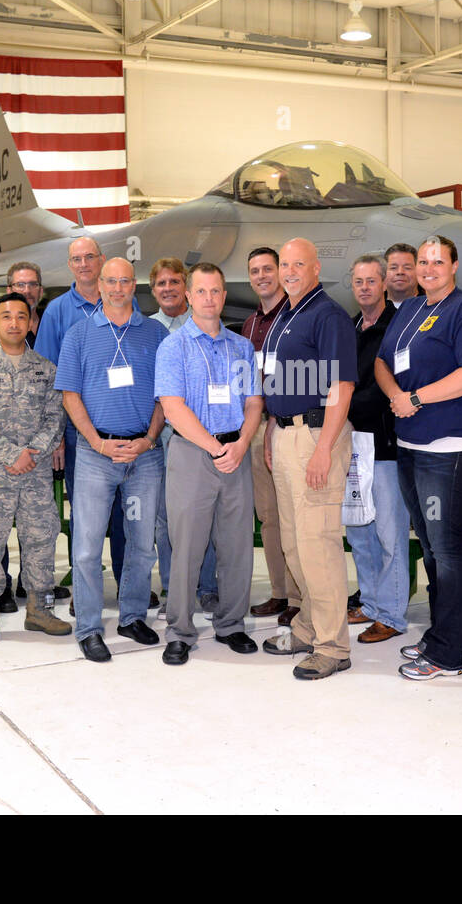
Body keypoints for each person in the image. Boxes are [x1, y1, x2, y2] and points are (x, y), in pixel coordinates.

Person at [376, 236, 462, 678]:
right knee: (427, 544)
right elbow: (383, 363)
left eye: (437, 261)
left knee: (446, 548)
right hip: (410, 443)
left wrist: (417, 399)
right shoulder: (408, 310)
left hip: (449, 448)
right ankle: (438, 633)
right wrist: (397, 398)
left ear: (455, 266)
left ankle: (448, 653)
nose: (428, 268)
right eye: (423, 262)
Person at [57, 257, 167, 662]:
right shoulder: (79, 334)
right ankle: (88, 626)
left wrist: (150, 439)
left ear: (134, 284)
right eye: (110, 281)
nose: (118, 288)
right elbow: (71, 396)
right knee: (86, 547)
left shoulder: (155, 334)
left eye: (125, 281)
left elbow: (165, 397)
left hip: (143, 459)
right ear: (98, 285)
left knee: (140, 543)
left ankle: (132, 616)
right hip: (95, 458)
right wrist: (99, 444)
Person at [154, 264, 262, 664]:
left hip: (236, 454)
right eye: (201, 291)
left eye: (216, 291)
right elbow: (172, 408)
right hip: (192, 454)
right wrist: (215, 448)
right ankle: (180, 631)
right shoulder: (174, 346)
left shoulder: (241, 347)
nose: (210, 298)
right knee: (187, 547)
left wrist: (242, 443)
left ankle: (231, 624)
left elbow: (253, 402)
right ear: (189, 296)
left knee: (237, 546)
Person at [261, 237, 357, 680]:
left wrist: (322, 448)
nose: (290, 271)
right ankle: (306, 627)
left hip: (318, 435)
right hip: (286, 435)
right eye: (285, 264)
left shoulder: (328, 316)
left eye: (299, 264)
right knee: (293, 542)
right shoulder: (285, 314)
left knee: (318, 545)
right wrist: (273, 430)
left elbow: (342, 388)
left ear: (316, 268)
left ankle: (333, 646)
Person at [0, 293, 73, 646]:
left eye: (21, 316)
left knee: (41, 539)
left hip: (35, 474)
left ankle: (39, 609)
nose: (13, 322)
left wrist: (32, 453)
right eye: (6, 316)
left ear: (30, 323)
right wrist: (11, 454)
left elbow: (56, 417)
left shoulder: (46, 370)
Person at [33, 240, 132, 603]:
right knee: (86, 518)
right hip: (79, 435)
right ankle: (84, 592)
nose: (85, 264)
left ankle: (127, 585)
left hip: (123, 431)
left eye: (91, 256)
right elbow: (48, 377)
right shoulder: (58, 311)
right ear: (70, 265)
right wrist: (57, 435)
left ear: (103, 262)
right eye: (77, 258)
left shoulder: (126, 304)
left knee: (126, 514)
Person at [345, 254, 409, 644]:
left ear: (384, 284)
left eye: (371, 281)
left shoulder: (396, 328)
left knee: (389, 534)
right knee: (359, 532)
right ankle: (369, 603)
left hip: (384, 447)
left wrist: (342, 410)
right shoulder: (351, 327)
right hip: (352, 446)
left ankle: (392, 613)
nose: (365, 288)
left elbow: (383, 390)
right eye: (359, 281)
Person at [148, 258, 217, 612]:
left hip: (203, 440)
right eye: (162, 283)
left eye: (175, 282)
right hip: (161, 443)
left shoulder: (205, 326)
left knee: (204, 518)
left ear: (187, 290)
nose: (169, 288)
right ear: (153, 289)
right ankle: (175, 590)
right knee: (168, 521)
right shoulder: (147, 330)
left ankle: (207, 587)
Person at [240, 246, 301, 625]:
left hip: (288, 425)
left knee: (295, 516)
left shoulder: (295, 318)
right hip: (257, 427)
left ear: (280, 272)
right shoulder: (249, 325)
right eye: (255, 270)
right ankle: (280, 592)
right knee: (269, 517)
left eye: (268, 269)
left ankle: (299, 595)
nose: (262, 276)